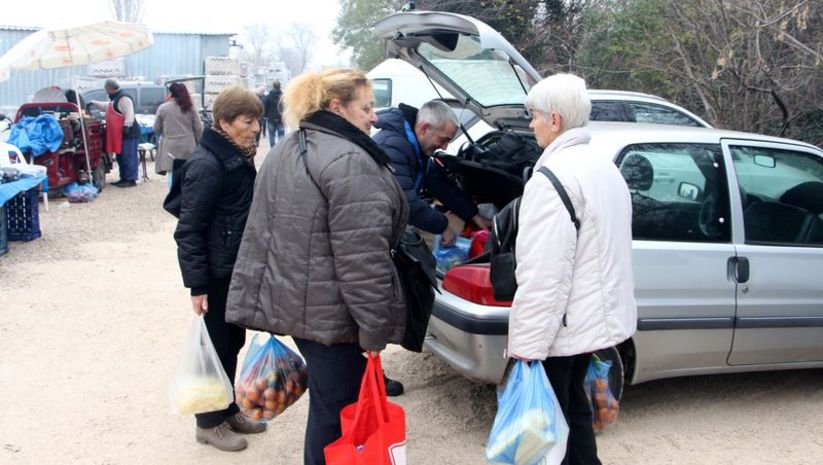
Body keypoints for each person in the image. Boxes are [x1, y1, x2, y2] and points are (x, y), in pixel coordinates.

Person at [225, 68, 409, 465]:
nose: (374, 116)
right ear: (336, 107)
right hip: (333, 315)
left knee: (329, 405)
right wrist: (374, 329)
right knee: (336, 411)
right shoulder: (348, 159)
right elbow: (363, 260)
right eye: (367, 107)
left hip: (301, 306)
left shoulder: (289, 147)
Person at [506, 73, 637, 465]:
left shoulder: (551, 179)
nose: (531, 124)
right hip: (591, 324)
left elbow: (543, 273)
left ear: (555, 120)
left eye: (534, 116)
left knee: (551, 428)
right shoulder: (605, 170)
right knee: (575, 408)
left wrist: (526, 347)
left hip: (560, 328)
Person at [372, 100, 491, 396]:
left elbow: (440, 184)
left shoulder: (414, 145)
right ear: (425, 128)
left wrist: (474, 216)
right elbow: (406, 202)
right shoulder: (394, 145)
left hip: (383, 233)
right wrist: (443, 225)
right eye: (444, 139)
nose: (446, 147)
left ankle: (370, 374)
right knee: (373, 308)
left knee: (379, 308)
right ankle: (369, 378)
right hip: (371, 238)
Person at [173, 85, 265, 452]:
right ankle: (208, 423)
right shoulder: (207, 164)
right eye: (247, 121)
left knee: (231, 343)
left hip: (234, 269)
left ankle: (227, 409)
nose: (256, 128)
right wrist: (197, 286)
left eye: (257, 120)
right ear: (224, 122)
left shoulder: (236, 155)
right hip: (215, 274)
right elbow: (188, 230)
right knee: (214, 347)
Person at [90, 79, 140, 187]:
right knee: (121, 157)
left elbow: (129, 113)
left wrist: (127, 126)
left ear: (110, 88)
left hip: (128, 133)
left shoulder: (124, 98)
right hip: (120, 134)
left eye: (106, 89)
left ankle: (131, 179)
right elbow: (108, 106)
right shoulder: (116, 98)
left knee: (128, 157)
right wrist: (93, 103)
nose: (106, 91)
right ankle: (124, 178)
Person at [154, 83, 203, 175]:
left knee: (172, 174)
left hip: (170, 147)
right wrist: (198, 142)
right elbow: (198, 128)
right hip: (188, 145)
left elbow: (157, 127)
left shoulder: (163, 108)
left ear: (171, 94)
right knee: (188, 172)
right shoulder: (190, 107)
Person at [263, 80, 285, 147]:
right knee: (281, 134)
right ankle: (281, 148)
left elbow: (266, 106)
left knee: (271, 135)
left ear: (273, 86)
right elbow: (285, 107)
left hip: (271, 118)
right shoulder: (282, 96)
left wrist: (265, 115)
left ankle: (272, 148)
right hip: (280, 117)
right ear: (280, 86)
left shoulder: (268, 96)